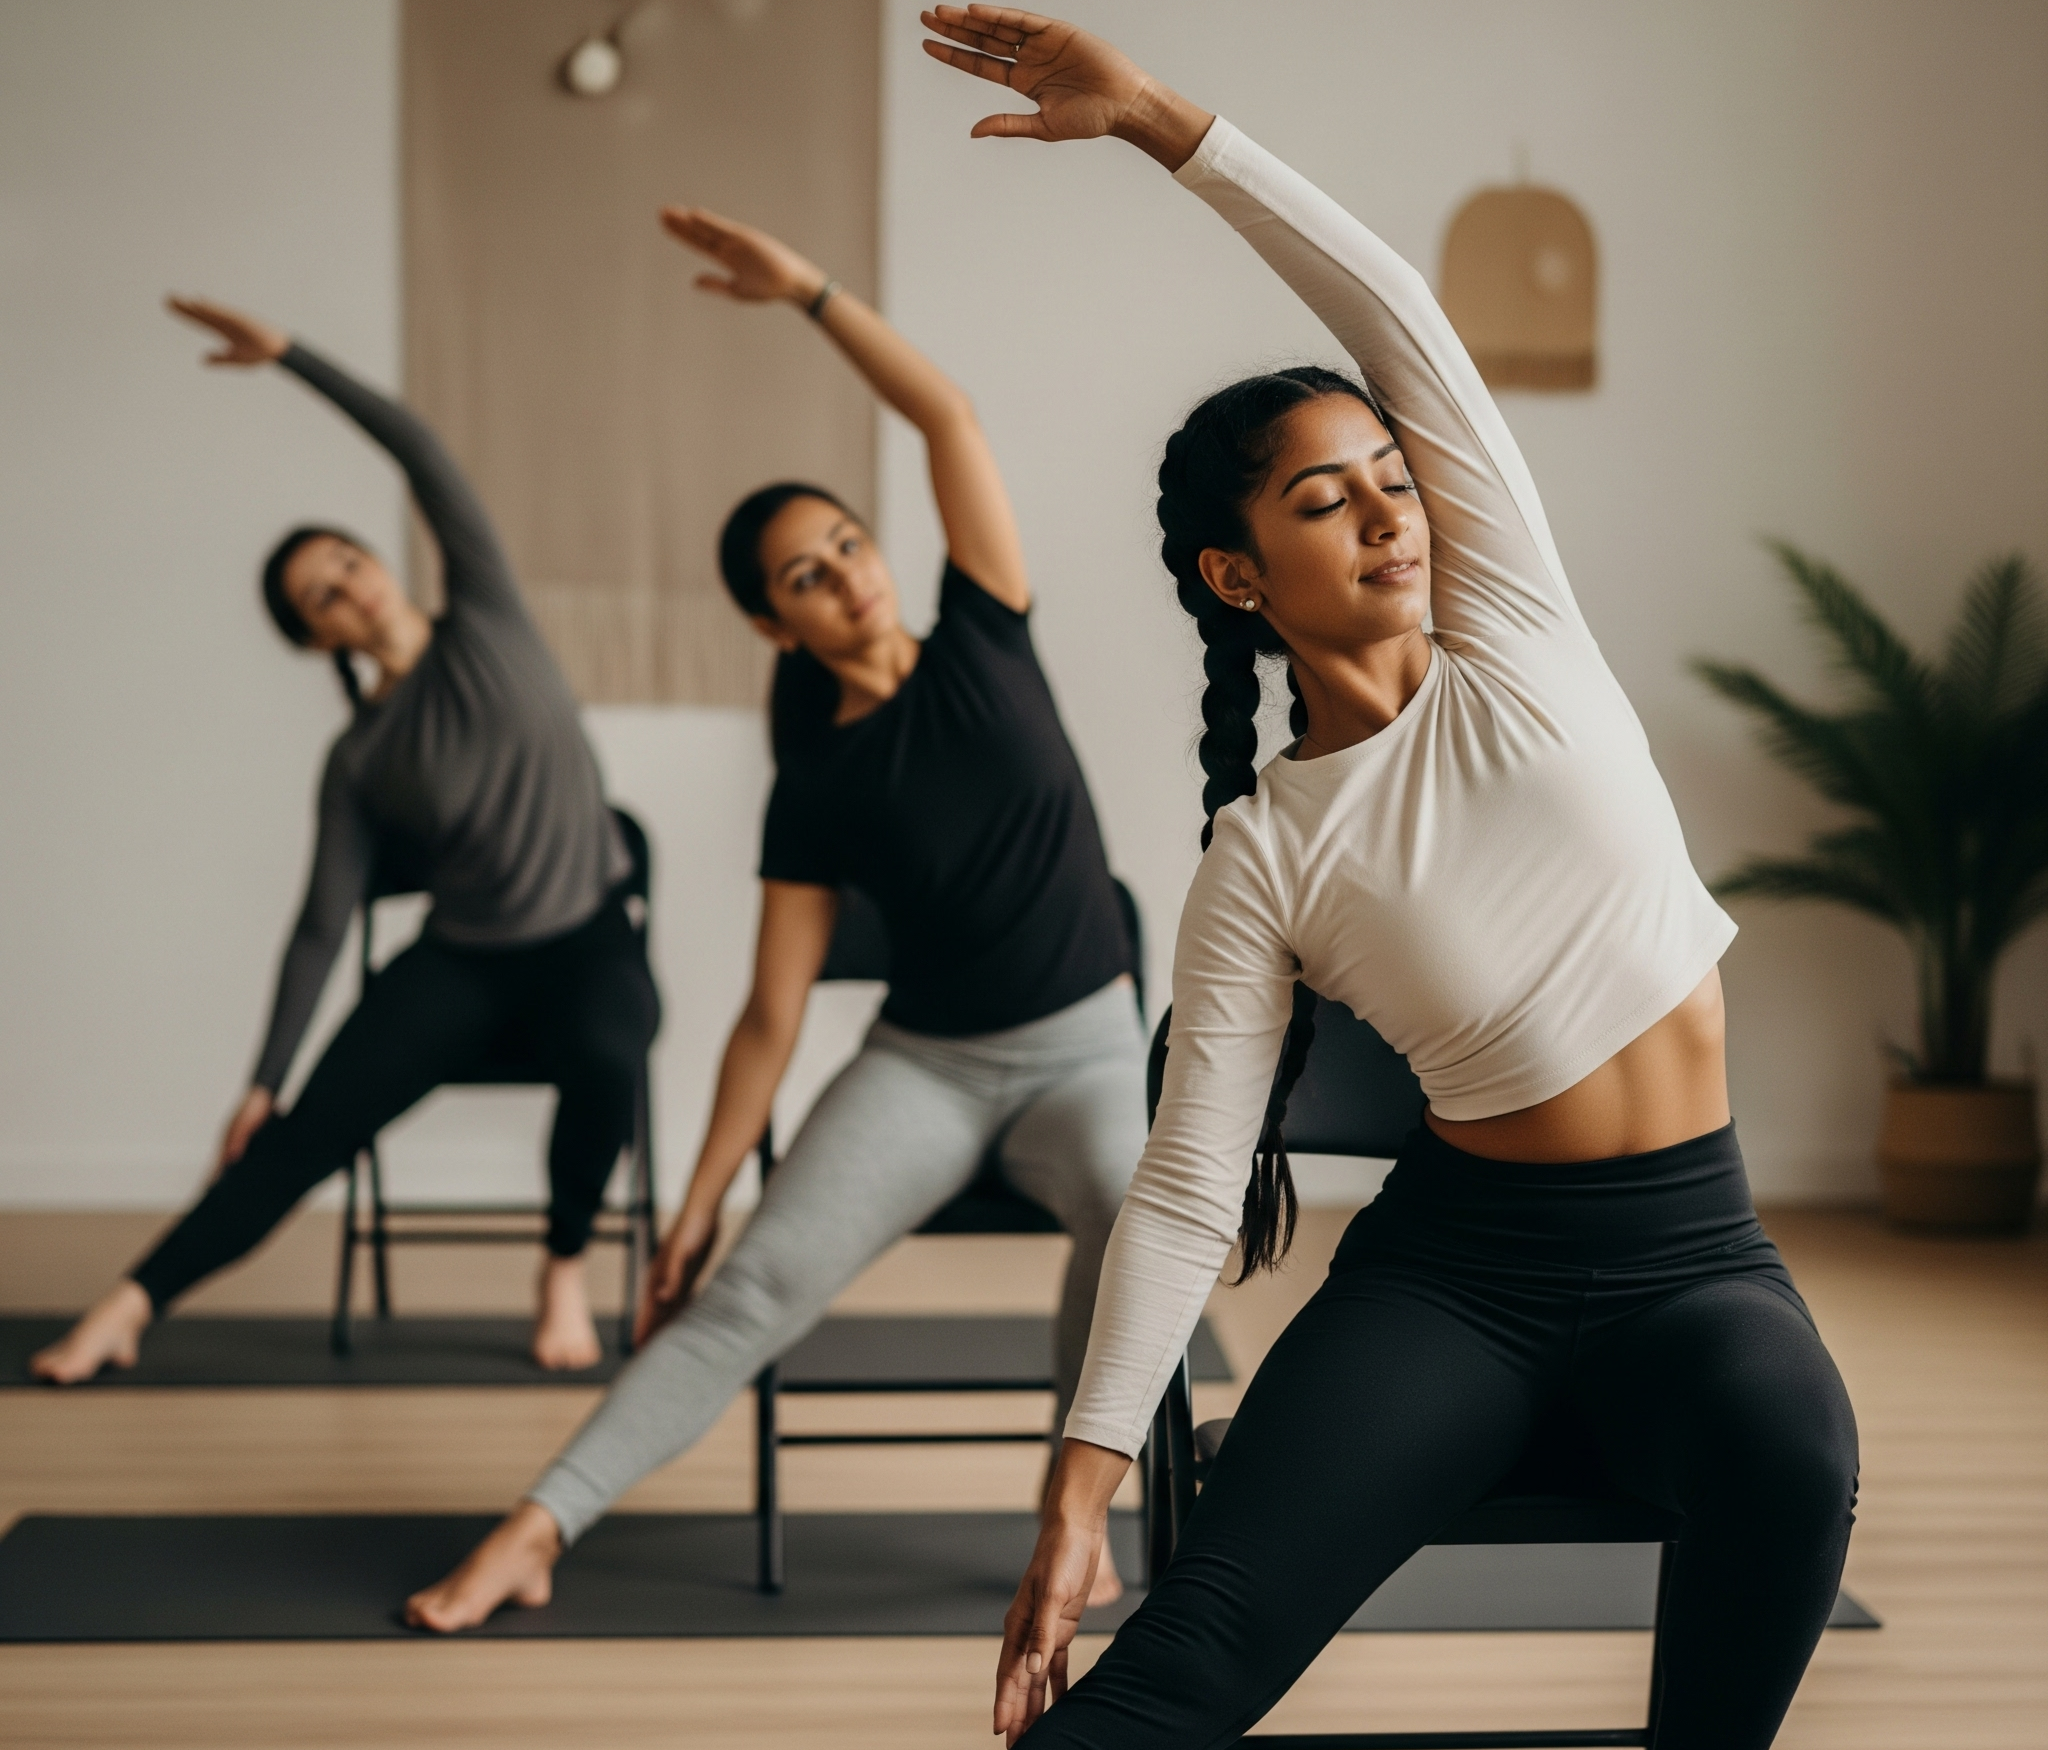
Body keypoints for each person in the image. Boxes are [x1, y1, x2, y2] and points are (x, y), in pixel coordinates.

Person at [921, 11, 1861, 1749]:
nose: (1386, 513)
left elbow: (1397, 316)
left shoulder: (1514, 634)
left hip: (1693, 1264)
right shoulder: (1263, 850)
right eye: (1320, 501)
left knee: (1791, 1457)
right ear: (1234, 573)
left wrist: (1157, 125)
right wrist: (1072, 1493)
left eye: (1389, 479)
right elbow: (1190, 1184)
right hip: (1454, 1293)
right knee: (1178, 1666)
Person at [402, 201, 1147, 1631]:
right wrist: (694, 1201)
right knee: (748, 1289)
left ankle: (1076, 1516)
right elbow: (770, 1013)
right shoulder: (812, 785)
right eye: (808, 574)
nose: (850, 572)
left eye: (851, 544)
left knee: (1135, 1209)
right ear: (775, 624)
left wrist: (805, 290)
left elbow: (946, 413)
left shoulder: (987, 629)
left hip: (1087, 1050)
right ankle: (536, 1524)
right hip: (927, 1067)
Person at [31, 299, 660, 1382]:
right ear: (315, 635)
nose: (344, 585)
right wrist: (263, 1078)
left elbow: (419, 448)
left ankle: (561, 1266)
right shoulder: (359, 758)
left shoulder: (489, 620)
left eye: (346, 561)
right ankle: (133, 1302)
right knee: (304, 1130)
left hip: (587, 937)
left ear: (380, 561)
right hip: (462, 962)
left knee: (613, 1051)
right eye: (317, 595)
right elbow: (322, 923)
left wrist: (286, 357)